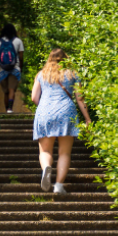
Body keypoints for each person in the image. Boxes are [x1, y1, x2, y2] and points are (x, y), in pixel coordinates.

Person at [30, 48, 92, 195]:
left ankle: (46, 167)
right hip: (66, 112)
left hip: (45, 111)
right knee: (64, 153)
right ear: (66, 59)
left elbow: (34, 98)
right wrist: (88, 119)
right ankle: (58, 185)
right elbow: (80, 98)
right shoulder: (72, 74)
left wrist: (46, 107)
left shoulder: (41, 74)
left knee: (45, 150)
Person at [0, 23, 25, 114]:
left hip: (3, 70)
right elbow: (21, 57)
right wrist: (21, 67)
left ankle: (7, 109)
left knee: (5, 92)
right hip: (15, 69)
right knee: (12, 90)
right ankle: (9, 109)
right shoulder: (18, 41)